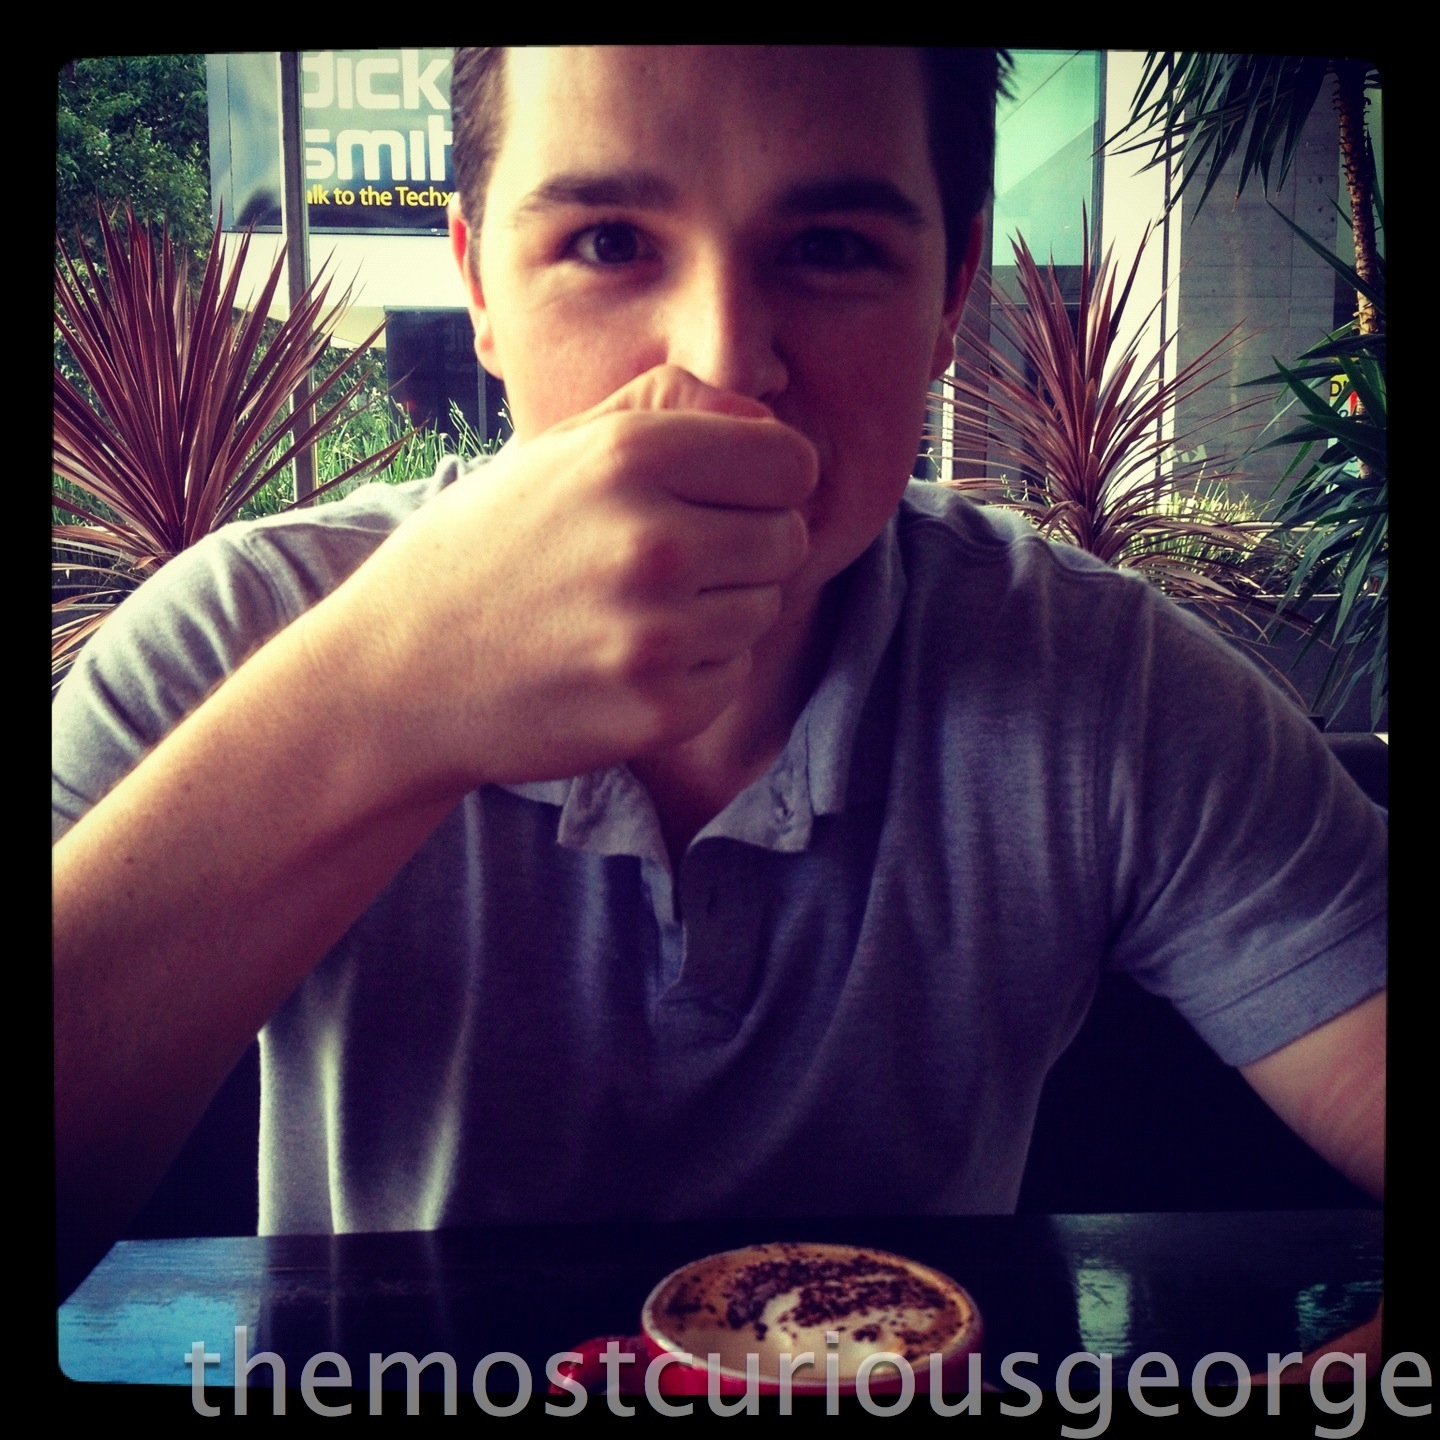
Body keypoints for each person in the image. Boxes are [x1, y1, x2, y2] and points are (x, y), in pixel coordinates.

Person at [53, 47, 1385, 1368]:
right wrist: (384, 697)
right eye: (609, 242)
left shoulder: (1098, 680)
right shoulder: (235, 639)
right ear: (480, 288)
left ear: (949, 296)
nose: (726, 365)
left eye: (833, 249)